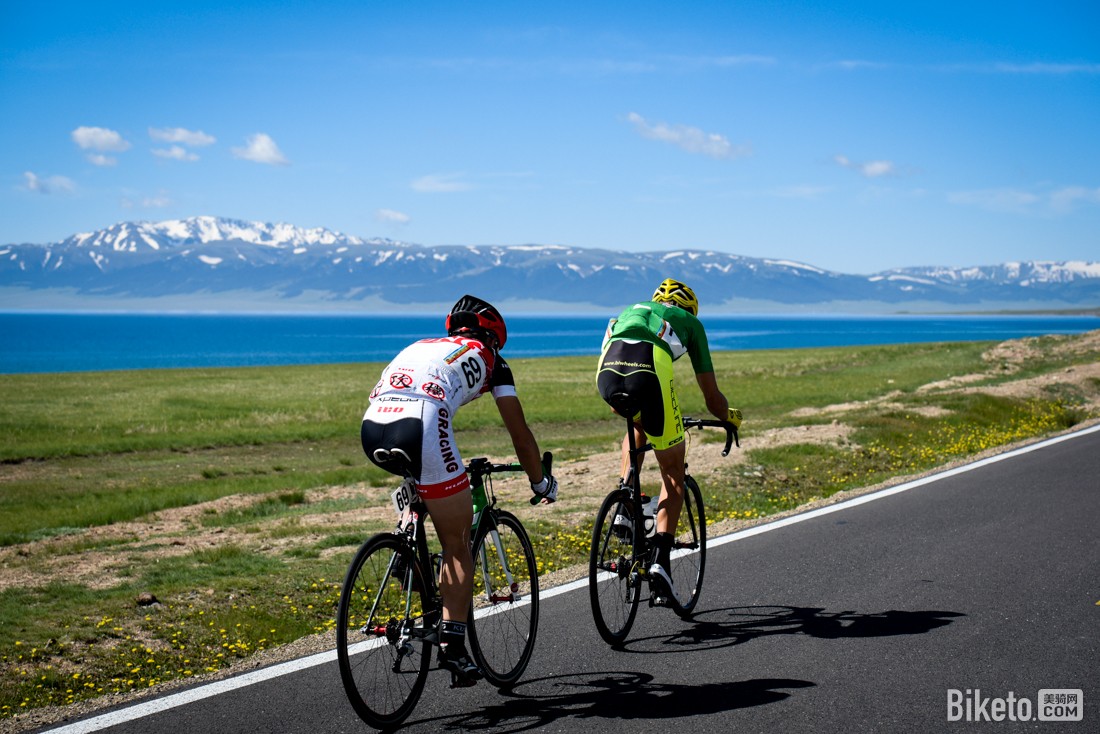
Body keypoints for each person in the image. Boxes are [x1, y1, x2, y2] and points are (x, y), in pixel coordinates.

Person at [361, 294, 558, 688]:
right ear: (493, 336)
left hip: (373, 423)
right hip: (422, 422)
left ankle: (407, 546)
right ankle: (454, 647)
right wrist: (541, 482)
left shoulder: (423, 345)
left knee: (421, 482)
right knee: (457, 541)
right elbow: (519, 433)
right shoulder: (491, 359)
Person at [596, 278, 741, 604]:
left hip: (607, 372)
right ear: (689, 308)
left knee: (635, 424)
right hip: (649, 370)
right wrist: (730, 417)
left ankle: (625, 502)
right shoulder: (691, 324)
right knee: (673, 472)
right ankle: (661, 559)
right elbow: (713, 400)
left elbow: (615, 395)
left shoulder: (630, 311)